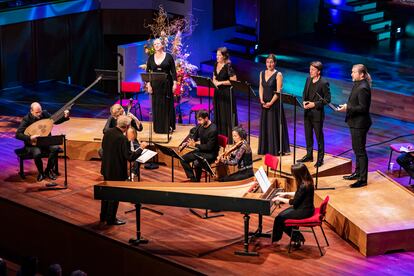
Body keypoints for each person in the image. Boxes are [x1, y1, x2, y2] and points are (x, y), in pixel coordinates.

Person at [100, 115, 143, 225]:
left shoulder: (108, 133)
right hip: (116, 171)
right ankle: (111, 219)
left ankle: (103, 216)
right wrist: (141, 148)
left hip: (106, 168)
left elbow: (104, 148)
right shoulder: (122, 138)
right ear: (127, 126)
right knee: (114, 196)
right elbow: (129, 157)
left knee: (105, 194)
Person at [15, 102, 70, 182]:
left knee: (55, 148)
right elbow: (18, 134)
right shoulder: (26, 119)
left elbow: (55, 121)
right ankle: (41, 173)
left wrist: (65, 117)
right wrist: (29, 137)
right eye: (37, 112)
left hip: (45, 141)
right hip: (33, 144)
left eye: (40, 111)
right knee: (37, 153)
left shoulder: (44, 114)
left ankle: (48, 170)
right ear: (31, 111)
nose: (39, 114)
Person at [338, 64, 372, 188]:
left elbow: (363, 108)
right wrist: (347, 105)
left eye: (353, 72)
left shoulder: (363, 87)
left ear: (361, 74)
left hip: (360, 124)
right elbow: (355, 102)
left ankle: (362, 179)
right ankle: (357, 173)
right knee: (357, 149)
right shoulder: (358, 84)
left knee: (360, 151)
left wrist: (348, 107)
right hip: (355, 122)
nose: (351, 74)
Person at [271, 163, 315, 247]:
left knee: (280, 219)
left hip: (304, 211)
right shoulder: (307, 181)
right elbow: (299, 194)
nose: (293, 175)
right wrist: (286, 193)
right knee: (280, 216)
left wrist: (279, 199)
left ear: (298, 174)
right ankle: (294, 237)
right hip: (306, 208)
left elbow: (294, 202)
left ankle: (297, 237)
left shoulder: (303, 186)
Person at [297, 61, 331, 167]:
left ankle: (320, 159)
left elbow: (327, 100)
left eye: (313, 69)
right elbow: (304, 93)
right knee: (308, 135)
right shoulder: (308, 79)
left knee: (318, 137)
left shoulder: (323, 83)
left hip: (317, 114)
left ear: (319, 72)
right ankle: (309, 155)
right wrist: (303, 101)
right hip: (307, 113)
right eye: (310, 69)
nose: (310, 71)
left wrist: (314, 104)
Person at [258, 54, 290, 155]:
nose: (269, 64)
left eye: (271, 62)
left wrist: (270, 103)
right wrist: (261, 99)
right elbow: (261, 87)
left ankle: (275, 149)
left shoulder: (278, 74)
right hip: (264, 103)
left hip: (274, 104)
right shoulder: (262, 73)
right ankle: (266, 148)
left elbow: (278, 91)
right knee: (266, 125)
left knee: (273, 125)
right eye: (268, 62)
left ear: (275, 63)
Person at [146, 38, 177, 134]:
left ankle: (168, 126)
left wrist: (175, 84)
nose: (156, 45)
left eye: (158, 43)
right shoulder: (151, 57)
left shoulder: (169, 57)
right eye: (154, 44)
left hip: (167, 84)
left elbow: (174, 71)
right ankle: (158, 127)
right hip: (155, 85)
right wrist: (148, 85)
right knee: (157, 105)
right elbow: (147, 72)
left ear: (162, 45)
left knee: (167, 105)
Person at [180, 110, 219, 182]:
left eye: (200, 120)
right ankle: (193, 179)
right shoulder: (201, 126)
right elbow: (194, 136)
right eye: (198, 120)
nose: (198, 122)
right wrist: (187, 142)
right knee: (183, 159)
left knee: (197, 162)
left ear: (206, 118)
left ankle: (196, 180)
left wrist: (195, 145)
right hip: (201, 151)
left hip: (210, 153)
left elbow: (209, 147)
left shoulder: (213, 130)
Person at [213, 47, 238, 143]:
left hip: (227, 93)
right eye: (217, 55)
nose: (217, 57)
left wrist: (221, 83)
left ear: (224, 56)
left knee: (226, 114)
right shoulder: (216, 64)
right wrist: (215, 82)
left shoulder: (228, 66)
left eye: (219, 55)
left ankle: (229, 138)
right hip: (218, 92)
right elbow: (214, 76)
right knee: (218, 113)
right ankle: (220, 136)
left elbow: (234, 80)